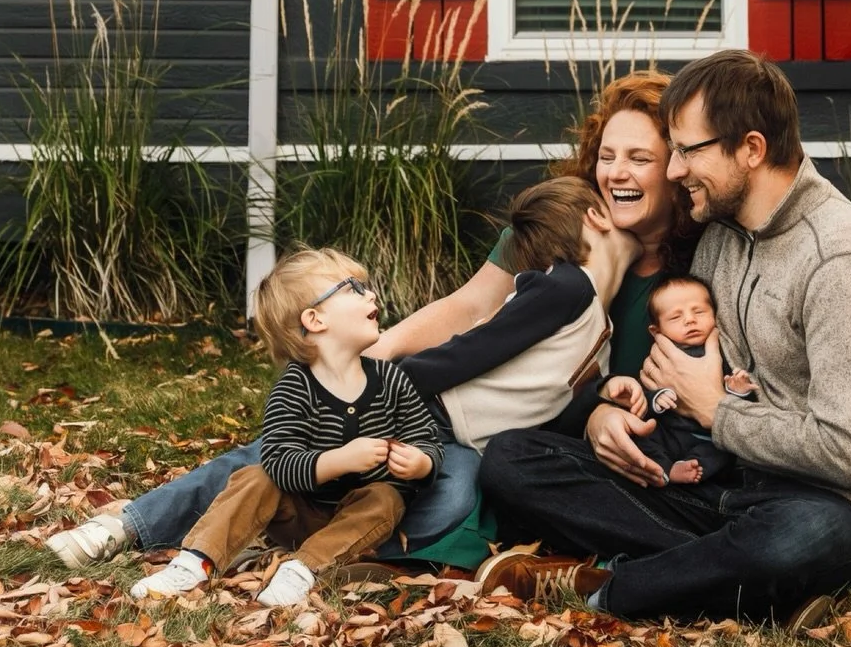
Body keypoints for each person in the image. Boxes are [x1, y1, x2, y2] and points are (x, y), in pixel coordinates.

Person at [45, 73, 690, 575]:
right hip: (444, 409)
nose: (616, 173)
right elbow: (469, 316)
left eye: (640, 157)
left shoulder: (689, 270)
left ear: (677, 165)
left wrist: (605, 405)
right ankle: (133, 525)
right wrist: (372, 364)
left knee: (446, 489)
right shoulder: (557, 244)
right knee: (298, 449)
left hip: (515, 452)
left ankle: (320, 541)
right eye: (608, 156)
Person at [477, 50, 851, 627]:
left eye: (688, 150)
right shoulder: (722, 237)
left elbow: (849, 453)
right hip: (713, 482)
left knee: (799, 538)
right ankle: (736, 582)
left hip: (830, 504)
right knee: (513, 460)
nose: (674, 169)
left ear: (751, 149)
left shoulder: (842, 262)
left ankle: (610, 587)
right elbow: (680, 381)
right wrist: (607, 414)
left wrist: (717, 411)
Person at [131, 249, 443, 606]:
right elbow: (280, 463)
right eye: (353, 289)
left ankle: (301, 570)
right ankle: (196, 561)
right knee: (255, 477)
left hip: (358, 523)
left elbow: (426, 437)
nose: (371, 294)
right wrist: (340, 459)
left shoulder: (391, 379)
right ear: (314, 319)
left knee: (386, 498)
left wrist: (422, 462)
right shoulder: (295, 387)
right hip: (299, 514)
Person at [398, 176, 638, 451]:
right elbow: (476, 347)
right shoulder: (565, 287)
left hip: (468, 445)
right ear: (596, 217)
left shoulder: (600, 331)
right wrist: (389, 383)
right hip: (434, 415)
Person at [623, 276, 748, 486]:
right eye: (675, 317)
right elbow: (643, 391)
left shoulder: (721, 352)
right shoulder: (661, 357)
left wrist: (737, 390)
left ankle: (690, 467)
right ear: (656, 330)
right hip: (668, 429)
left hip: (708, 435)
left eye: (699, 312)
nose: (690, 320)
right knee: (642, 436)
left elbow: (736, 407)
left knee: (723, 450)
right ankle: (664, 468)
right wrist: (656, 398)